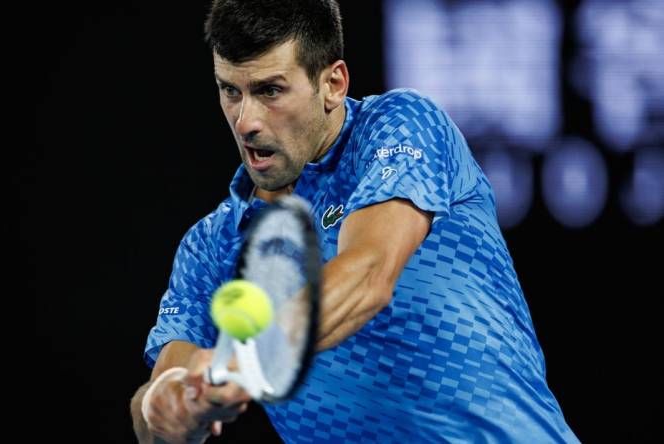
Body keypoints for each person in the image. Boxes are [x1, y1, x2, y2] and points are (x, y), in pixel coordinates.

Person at [130, 0, 579, 442]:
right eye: (231, 91)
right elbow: (165, 391)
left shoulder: (400, 125)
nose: (245, 121)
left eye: (270, 90)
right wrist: (166, 406)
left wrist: (247, 364)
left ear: (333, 83)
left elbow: (369, 273)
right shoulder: (211, 247)